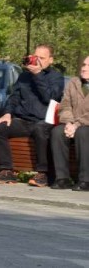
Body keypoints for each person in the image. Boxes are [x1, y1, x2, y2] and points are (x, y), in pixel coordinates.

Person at [0, 44, 64, 187]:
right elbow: (14, 97)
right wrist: (7, 113)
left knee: (40, 129)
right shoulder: (24, 76)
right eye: (35, 57)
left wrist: (38, 75)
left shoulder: (56, 77)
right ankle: (7, 170)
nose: (37, 61)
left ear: (51, 60)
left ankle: (43, 173)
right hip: (24, 121)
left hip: (44, 121)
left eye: (42, 58)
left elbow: (50, 98)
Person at [50, 56, 89, 191]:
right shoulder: (73, 82)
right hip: (72, 124)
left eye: (88, 66)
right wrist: (68, 122)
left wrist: (77, 124)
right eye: (84, 64)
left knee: (83, 132)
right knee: (57, 132)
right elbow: (65, 105)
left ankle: (85, 180)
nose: (84, 68)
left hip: (85, 126)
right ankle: (62, 178)